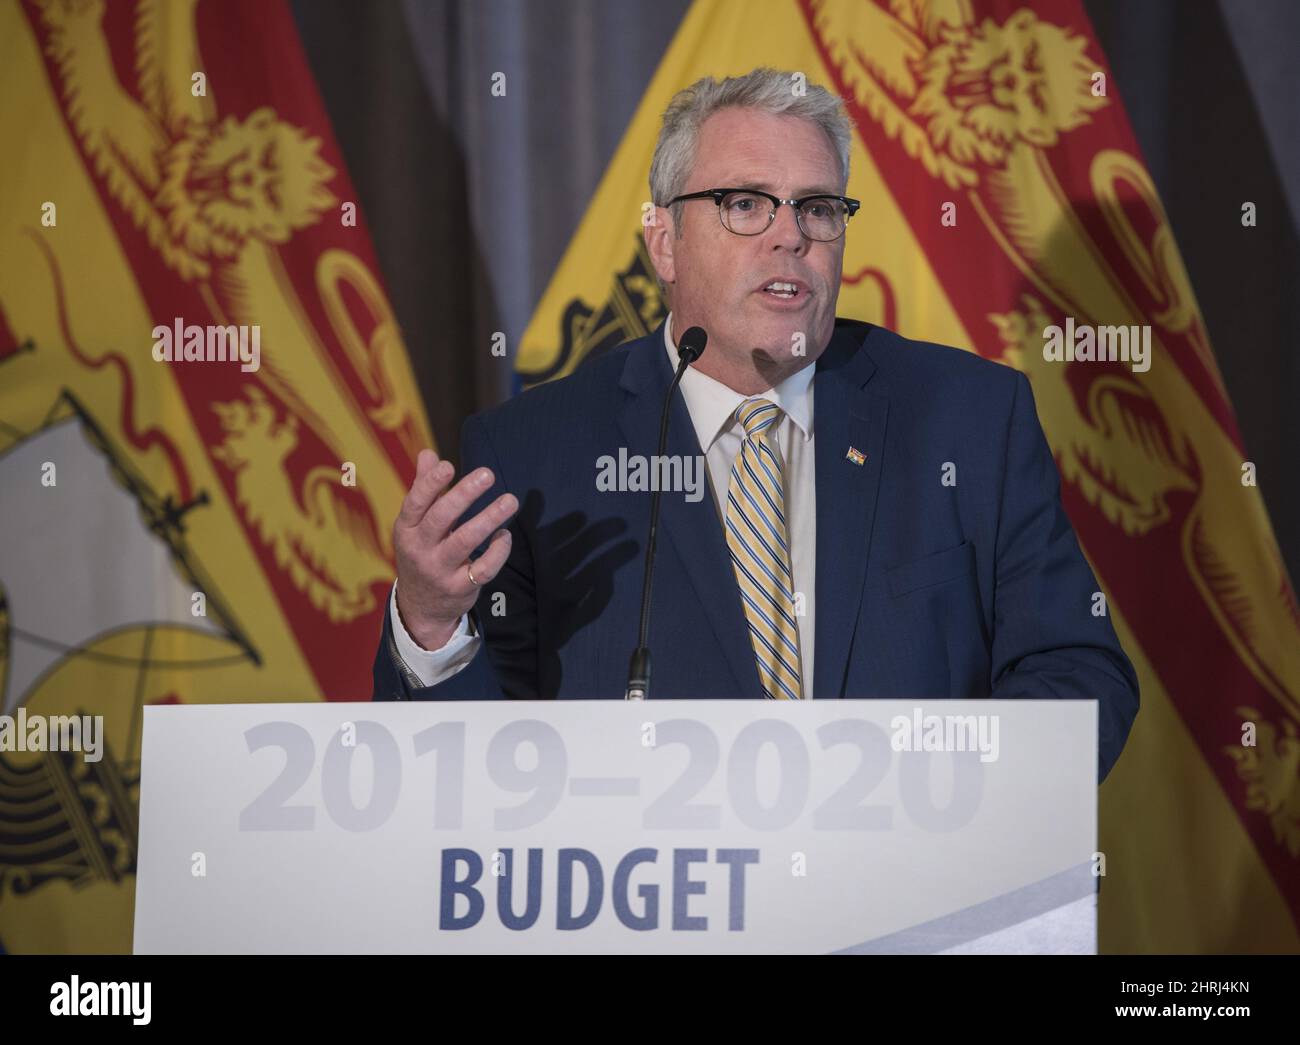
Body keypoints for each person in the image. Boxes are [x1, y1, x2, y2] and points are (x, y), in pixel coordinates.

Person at [372, 67, 1139, 782]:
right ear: (665, 244)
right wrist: (432, 626)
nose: (790, 236)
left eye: (817, 207)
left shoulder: (969, 421)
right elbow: (467, 772)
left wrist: (935, 798)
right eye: (745, 204)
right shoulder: (532, 454)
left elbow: (1080, 674)